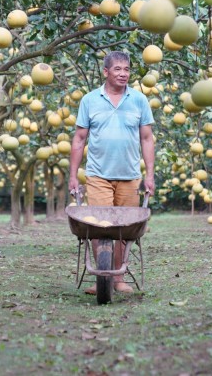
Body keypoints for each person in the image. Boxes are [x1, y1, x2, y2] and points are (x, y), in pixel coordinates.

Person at [68, 51, 155, 295]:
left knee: (124, 230)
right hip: (98, 176)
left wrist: (149, 175)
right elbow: (79, 139)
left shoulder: (139, 100)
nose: (123, 73)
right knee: (99, 227)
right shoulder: (89, 100)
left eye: (126, 69)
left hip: (129, 176)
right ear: (105, 72)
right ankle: (102, 278)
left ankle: (118, 278)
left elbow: (147, 139)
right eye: (117, 69)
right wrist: (73, 175)